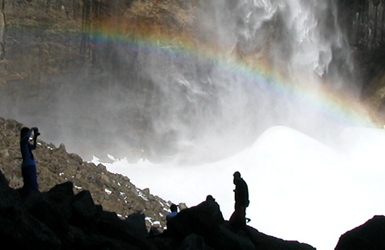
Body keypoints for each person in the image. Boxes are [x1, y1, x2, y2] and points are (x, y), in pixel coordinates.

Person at [20, 126, 40, 197]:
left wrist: (35, 138)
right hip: (28, 165)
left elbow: (34, 147)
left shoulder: (26, 143)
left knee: (31, 181)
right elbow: (26, 138)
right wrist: (32, 129)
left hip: (30, 164)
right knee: (31, 182)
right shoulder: (23, 142)